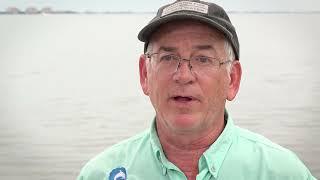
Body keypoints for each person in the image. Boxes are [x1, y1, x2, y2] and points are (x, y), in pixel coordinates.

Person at [77, 0, 316, 179]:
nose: (183, 76)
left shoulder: (282, 172)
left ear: (232, 79)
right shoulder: (101, 173)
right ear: (144, 74)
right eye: (168, 57)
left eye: (203, 59)